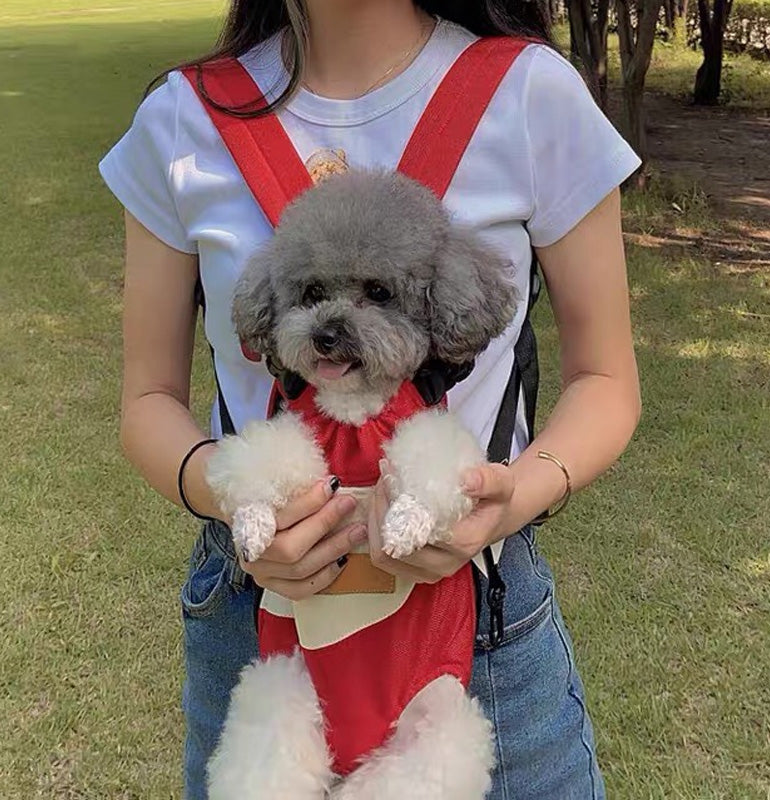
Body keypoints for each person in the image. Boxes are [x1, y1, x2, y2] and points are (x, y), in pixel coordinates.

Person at [99, 1, 642, 798]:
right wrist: (238, 503)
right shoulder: (182, 120)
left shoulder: (533, 94)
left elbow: (606, 379)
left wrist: (510, 497)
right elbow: (147, 398)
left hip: (475, 617)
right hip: (259, 617)